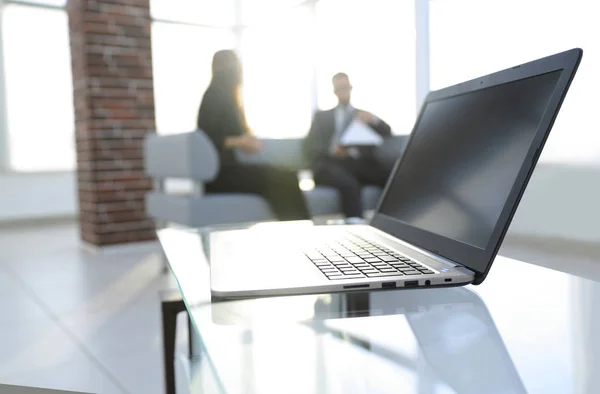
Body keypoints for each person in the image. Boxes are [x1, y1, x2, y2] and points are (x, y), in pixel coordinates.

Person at [197, 50, 309, 221]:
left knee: (285, 177)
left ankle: (298, 227)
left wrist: (247, 140)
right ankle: (300, 231)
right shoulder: (214, 96)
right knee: (281, 178)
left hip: (231, 169)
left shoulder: (228, 97)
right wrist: (240, 142)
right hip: (220, 175)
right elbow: (208, 138)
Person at [304, 72, 392, 220]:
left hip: (357, 164)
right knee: (349, 184)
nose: (344, 91)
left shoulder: (362, 116)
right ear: (334, 91)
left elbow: (387, 131)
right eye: (340, 88)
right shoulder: (322, 117)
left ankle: (396, 223)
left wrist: (373, 119)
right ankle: (355, 226)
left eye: (346, 87)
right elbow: (309, 146)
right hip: (330, 164)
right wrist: (333, 150)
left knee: (392, 176)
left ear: (351, 88)